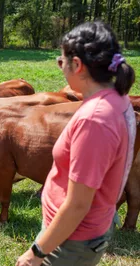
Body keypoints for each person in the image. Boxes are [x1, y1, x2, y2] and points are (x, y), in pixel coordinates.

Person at [16, 21, 136, 266]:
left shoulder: (95, 120)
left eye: (61, 62)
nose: (61, 68)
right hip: (74, 230)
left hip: (71, 240)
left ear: (78, 65)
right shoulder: (117, 99)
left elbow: (79, 204)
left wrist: (36, 253)